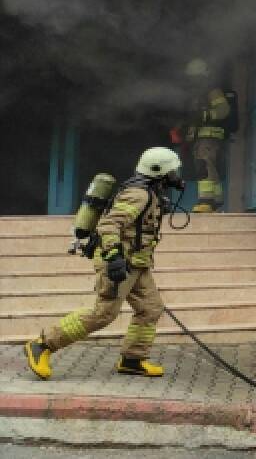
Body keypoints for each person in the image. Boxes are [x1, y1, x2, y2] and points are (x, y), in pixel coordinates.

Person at [24, 147, 184, 379]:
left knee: (150, 309)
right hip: (120, 261)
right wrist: (114, 257)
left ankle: (132, 359)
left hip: (138, 262)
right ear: (160, 171)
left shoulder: (150, 192)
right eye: (173, 171)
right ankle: (42, 345)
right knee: (104, 313)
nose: (177, 175)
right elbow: (109, 225)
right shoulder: (138, 195)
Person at [176, 58, 235, 213]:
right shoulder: (198, 95)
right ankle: (216, 200)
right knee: (209, 167)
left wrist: (204, 115)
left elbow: (223, 110)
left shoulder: (212, 90)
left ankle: (206, 201)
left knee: (204, 165)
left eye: (193, 77)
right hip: (202, 138)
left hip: (209, 137)